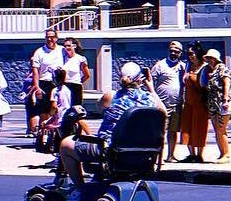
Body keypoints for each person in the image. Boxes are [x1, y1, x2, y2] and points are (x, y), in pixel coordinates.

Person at [58, 61, 157, 189]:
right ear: (141, 79)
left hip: (111, 150)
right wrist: (151, 89)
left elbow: (99, 107)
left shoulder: (112, 96)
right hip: (142, 152)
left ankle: (79, 188)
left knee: (66, 144)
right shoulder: (150, 100)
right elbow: (163, 112)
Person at [151, 40, 187, 160]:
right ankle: (157, 157)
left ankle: (171, 155)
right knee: (160, 132)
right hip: (162, 105)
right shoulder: (160, 65)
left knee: (173, 131)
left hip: (177, 104)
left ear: (180, 53)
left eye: (176, 52)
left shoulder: (183, 67)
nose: (173, 53)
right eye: (171, 51)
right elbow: (150, 81)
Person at [201, 47, 231, 163]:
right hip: (212, 103)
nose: (209, 60)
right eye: (208, 58)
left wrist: (225, 99)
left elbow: (226, 84)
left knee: (221, 129)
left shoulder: (222, 69)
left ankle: (226, 154)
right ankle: (222, 152)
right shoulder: (209, 70)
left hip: (221, 102)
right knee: (217, 130)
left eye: (211, 58)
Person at [179, 48, 209, 161]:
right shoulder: (187, 66)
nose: (190, 56)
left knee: (199, 127)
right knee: (187, 127)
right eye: (189, 54)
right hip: (188, 101)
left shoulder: (205, 67)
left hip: (200, 102)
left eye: (192, 53)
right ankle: (191, 154)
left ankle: (199, 154)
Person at [31, 26, 62, 126]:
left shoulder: (62, 50)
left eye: (52, 37)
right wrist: (37, 87)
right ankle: (43, 134)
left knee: (57, 108)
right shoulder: (39, 52)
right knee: (44, 111)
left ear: (56, 38)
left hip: (59, 84)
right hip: (44, 83)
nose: (49, 39)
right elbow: (35, 71)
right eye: (47, 37)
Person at [60, 37, 90, 108]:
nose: (66, 48)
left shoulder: (80, 59)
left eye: (69, 45)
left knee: (76, 109)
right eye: (65, 46)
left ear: (74, 46)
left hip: (76, 86)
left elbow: (87, 75)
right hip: (64, 86)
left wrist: (78, 81)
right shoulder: (62, 58)